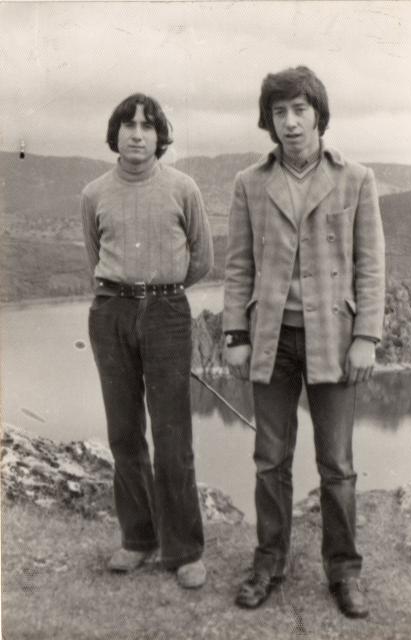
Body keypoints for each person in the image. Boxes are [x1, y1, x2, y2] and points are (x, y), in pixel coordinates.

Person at [223, 66, 385, 617]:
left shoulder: (356, 179)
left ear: (318, 114)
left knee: (337, 464)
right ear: (268, 121)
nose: (290, 122)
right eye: (279, 112)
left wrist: (366, 336)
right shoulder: (250, 182)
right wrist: (236, 334)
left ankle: (344, 572)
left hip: (335, 341)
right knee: (270, 459)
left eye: (299, 110)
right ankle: (268, 563)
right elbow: (237, 266)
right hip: (271, 340)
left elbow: (371, 266)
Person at [81, 93, 213, 589]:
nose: (137, 134)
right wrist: (123, 294)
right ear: (115, 133)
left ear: (160, 137)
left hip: (167, 314)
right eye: (128, 125)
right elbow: (94, 255)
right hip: (110, 312)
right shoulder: (93, 193)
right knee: (123, 431)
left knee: (173, 434)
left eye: (148, 126)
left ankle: (184, 550)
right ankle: (138, 540)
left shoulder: (183, 188)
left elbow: (202, 259)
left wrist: (162, 293)